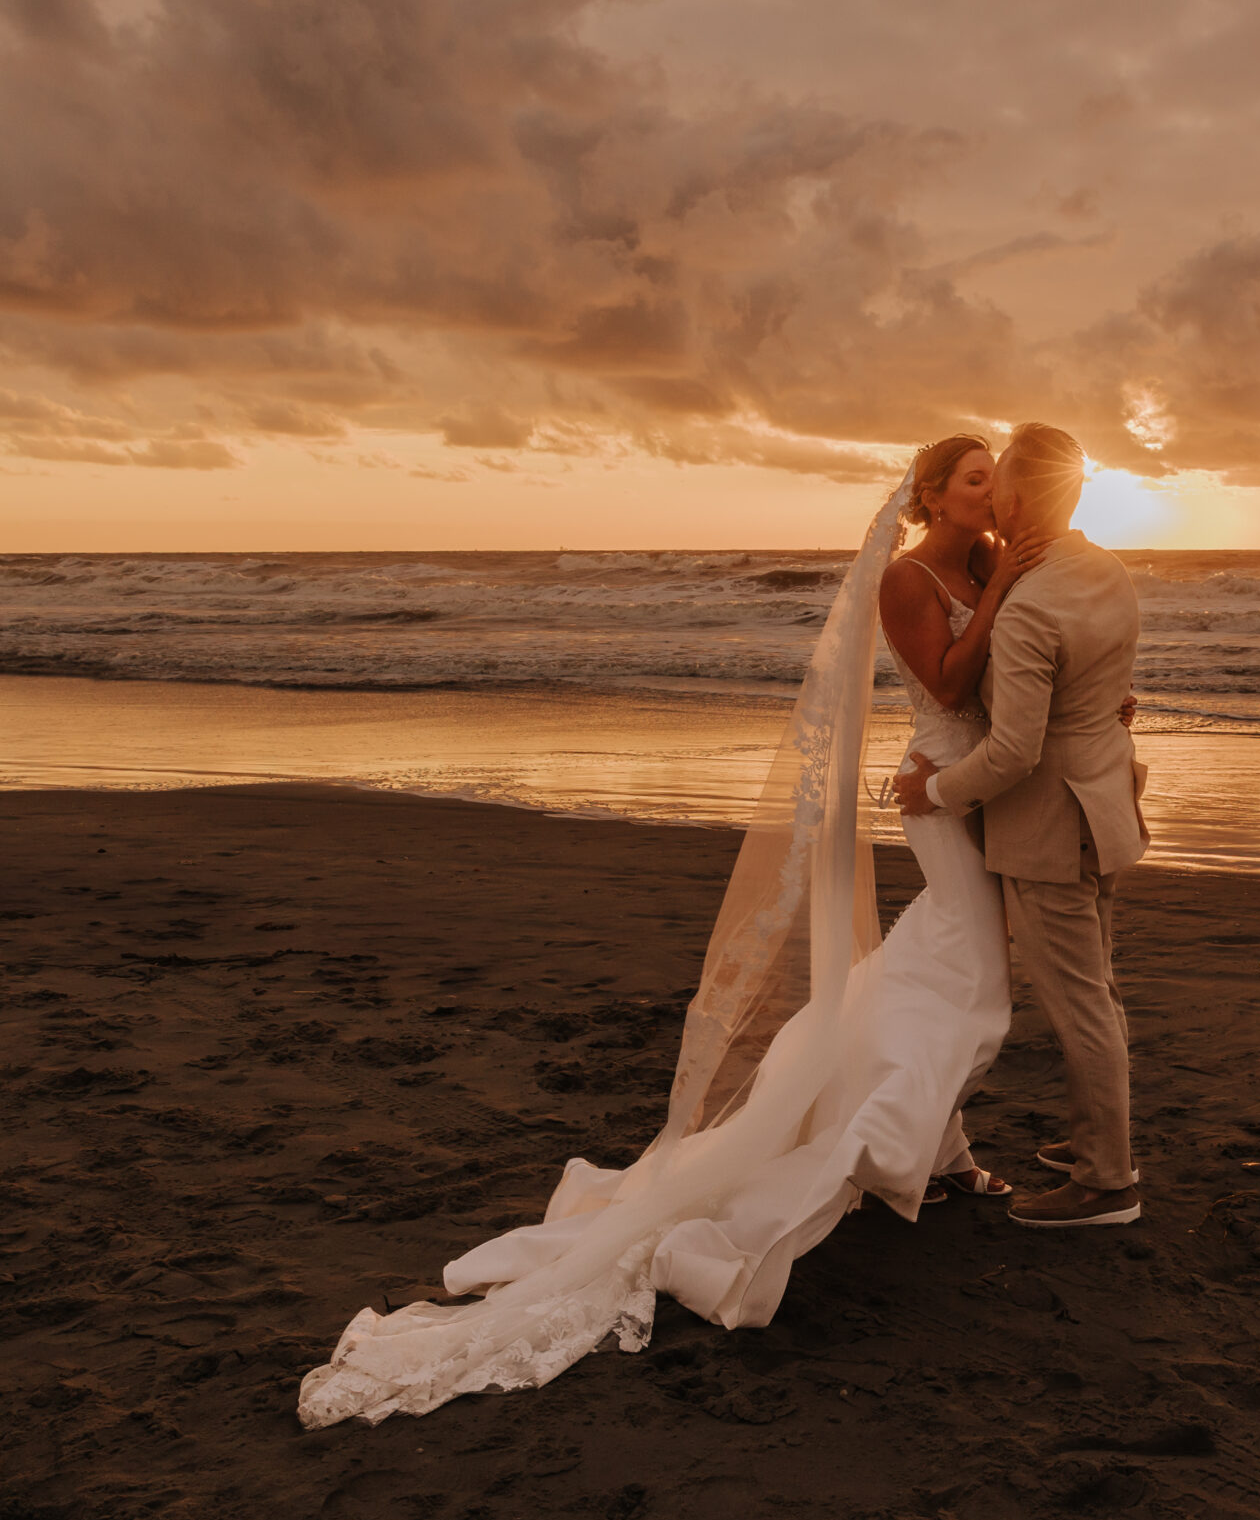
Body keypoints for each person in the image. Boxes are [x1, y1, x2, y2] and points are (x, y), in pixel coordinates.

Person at [295, 433, 1122, 1427]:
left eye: (1001, 479)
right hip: (936, 789)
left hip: (985, 793)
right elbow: (948, 685)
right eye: (977, 480)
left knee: (940, 971)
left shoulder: (997, 561)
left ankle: (936, 1155)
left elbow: (1030, 666)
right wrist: (999, 606)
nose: (995, 495)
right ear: (937, 497)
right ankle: (884, 1143)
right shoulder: (911, 580)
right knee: (978, 990)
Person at [893, 422, 1148, 1229]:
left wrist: (935, 791)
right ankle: (1093, 1144)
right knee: (1095, 987)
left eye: (996, 478)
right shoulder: (1107, 570)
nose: (989, 490)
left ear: (1016, 497)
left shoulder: (1029, 600)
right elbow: (1100, 680)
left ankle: (1109, 1181)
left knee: (1080, 1002)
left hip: (1045, 822)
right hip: (1102, 805)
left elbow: (1012, 750)